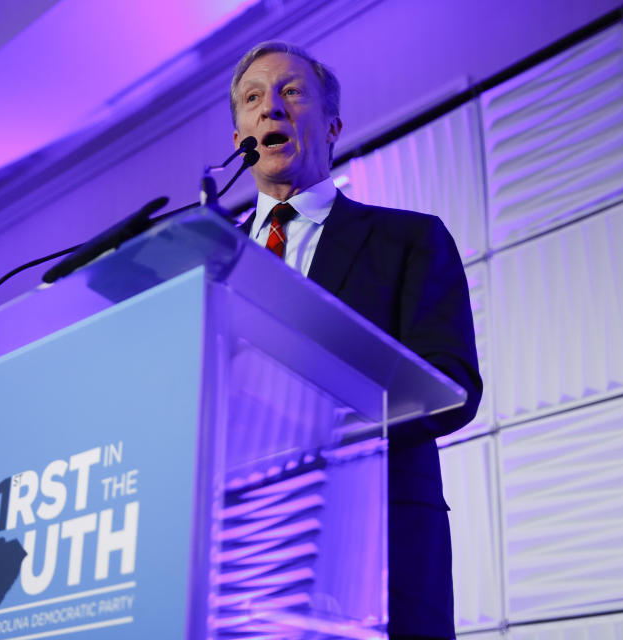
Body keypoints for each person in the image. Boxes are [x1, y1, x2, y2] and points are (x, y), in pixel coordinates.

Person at [230, 41, 483, 640]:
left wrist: (321, 421)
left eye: (291, 91)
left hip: (374, 546)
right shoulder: (208, 268)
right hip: (238, 560)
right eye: (252, 98)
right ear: (240, 132)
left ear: (333, 125)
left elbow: (450, 385)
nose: (271, 109)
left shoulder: (408, 240)